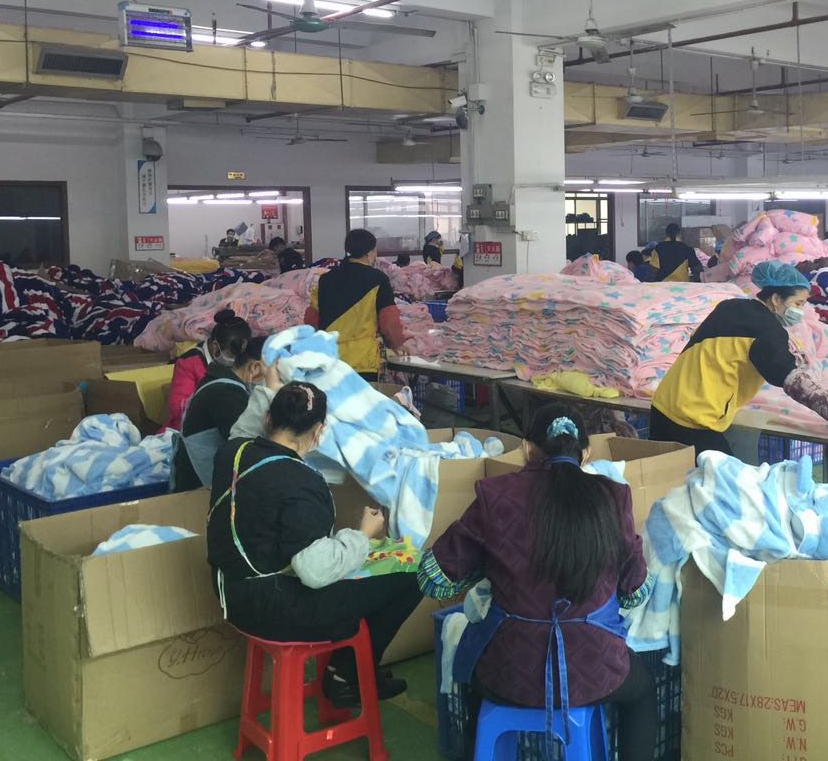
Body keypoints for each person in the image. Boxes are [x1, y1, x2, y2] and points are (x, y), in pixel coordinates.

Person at [418, 404, 656, 761]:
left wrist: (485, 568)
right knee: (642, 691)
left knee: (475, 683)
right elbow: (635, 593)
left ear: (527, 448)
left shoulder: (495, 495)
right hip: (594, 670)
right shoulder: (612, 497)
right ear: (586, 453)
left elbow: (432, 579)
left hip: (508, 671)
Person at [207, 382, 421, 707]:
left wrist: (268, 384)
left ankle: (352, 668)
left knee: (372, 568)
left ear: (267, 418)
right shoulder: (302, 482)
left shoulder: (231, 453)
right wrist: (362, 534)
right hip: (275, 609)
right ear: (319, 431)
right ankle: (347, 676)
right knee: (414, 572)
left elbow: (244, 429)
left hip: (230, 595)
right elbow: (315, 571)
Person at [649, 260, 828, 456]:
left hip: (663, 405)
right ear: (776, 299)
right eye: (798, 303)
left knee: (666, 483)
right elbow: (795, 382)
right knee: (720, 485)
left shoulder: (729, 308)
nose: (800, 311)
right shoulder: (767, 331)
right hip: (692, 420)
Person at [304, 230, 407, 380]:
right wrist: (396, 343)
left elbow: (311, 318)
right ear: (369, 253)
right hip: (361, 361)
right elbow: (389, 319)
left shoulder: (325, 279)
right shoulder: (378, 279)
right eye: (375, 250)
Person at [171, 335, 267, 492]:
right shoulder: (226, 394)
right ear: (255, 367)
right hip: (199, 487)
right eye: (277, 375)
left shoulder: (222, 381)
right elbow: (248, 447)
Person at [163, 309, 251, 432]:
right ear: (215, 346)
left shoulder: (245, 360)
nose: (235, 361)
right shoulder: (189, 362)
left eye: (240, 356)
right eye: (231, 355)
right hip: (189, 430)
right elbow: (177, 408)